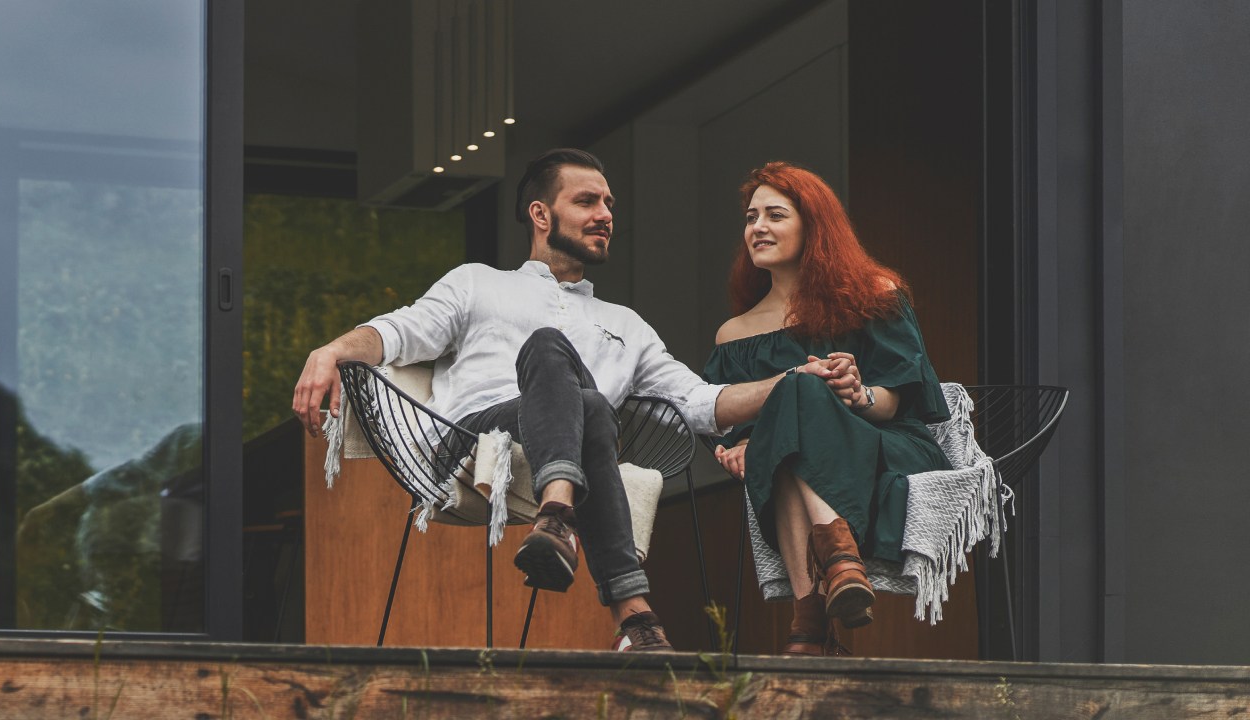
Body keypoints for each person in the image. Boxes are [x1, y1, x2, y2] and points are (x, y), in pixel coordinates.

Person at [291, 148, 844, 652]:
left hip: (577, 442)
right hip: (472, 448)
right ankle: (597, 564)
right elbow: (397, 333)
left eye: (609, 203)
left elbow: (700, 401)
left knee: (593, 406)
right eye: (586, 201)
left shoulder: (626, 326)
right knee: (550, 349)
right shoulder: (477, 283)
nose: (605, 213)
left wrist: (793, 381)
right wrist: (333, 350)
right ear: (540, 215)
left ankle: (608, 586)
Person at [704, 162, 952, 657]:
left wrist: (857, 393)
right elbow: (728, 422)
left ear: (813, 225)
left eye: (775, 215)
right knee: (795, 407)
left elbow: (896, 403)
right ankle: (838, 566)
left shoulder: (873, 297)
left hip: (886, 448)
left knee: (802, 389)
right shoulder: (734, 334)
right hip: (790, 461)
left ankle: (809, 623)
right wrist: (737, 447)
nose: (758, 228)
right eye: (751, 218)